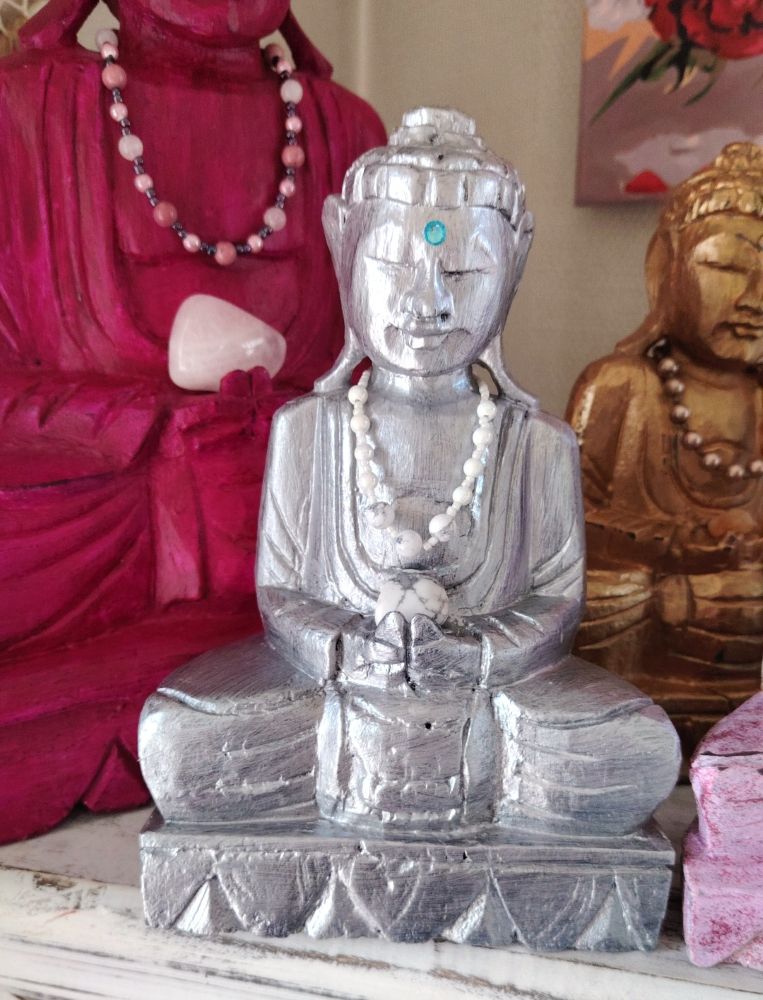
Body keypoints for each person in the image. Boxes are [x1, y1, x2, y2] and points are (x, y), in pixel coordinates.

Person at [142, 109, 679, 841]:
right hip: (333, 693)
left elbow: (556, 601)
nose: (428, 302)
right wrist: (347, 648)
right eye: (394, 266)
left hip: (494, 699)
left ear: (513, 269)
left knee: (633, 747)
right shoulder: (309, 430)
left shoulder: (538, 444)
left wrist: (475, 655)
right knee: (178, 739)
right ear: (344, 252)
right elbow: (281, 593)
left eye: (464, 271)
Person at [0, 0, 385, 843]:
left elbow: (384, 382)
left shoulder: (346, 132)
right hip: (95, 516)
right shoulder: (19, 110)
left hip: (299, 521)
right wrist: (143, 426)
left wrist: (282, 433)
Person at [567, 143, 763, 754]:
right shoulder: (619, 386)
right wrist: (679, 553)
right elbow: (562, 531)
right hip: (643, 610)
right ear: (669, 271)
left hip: (738, 613)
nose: (755, 297)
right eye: (728, 266)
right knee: (584, 603)